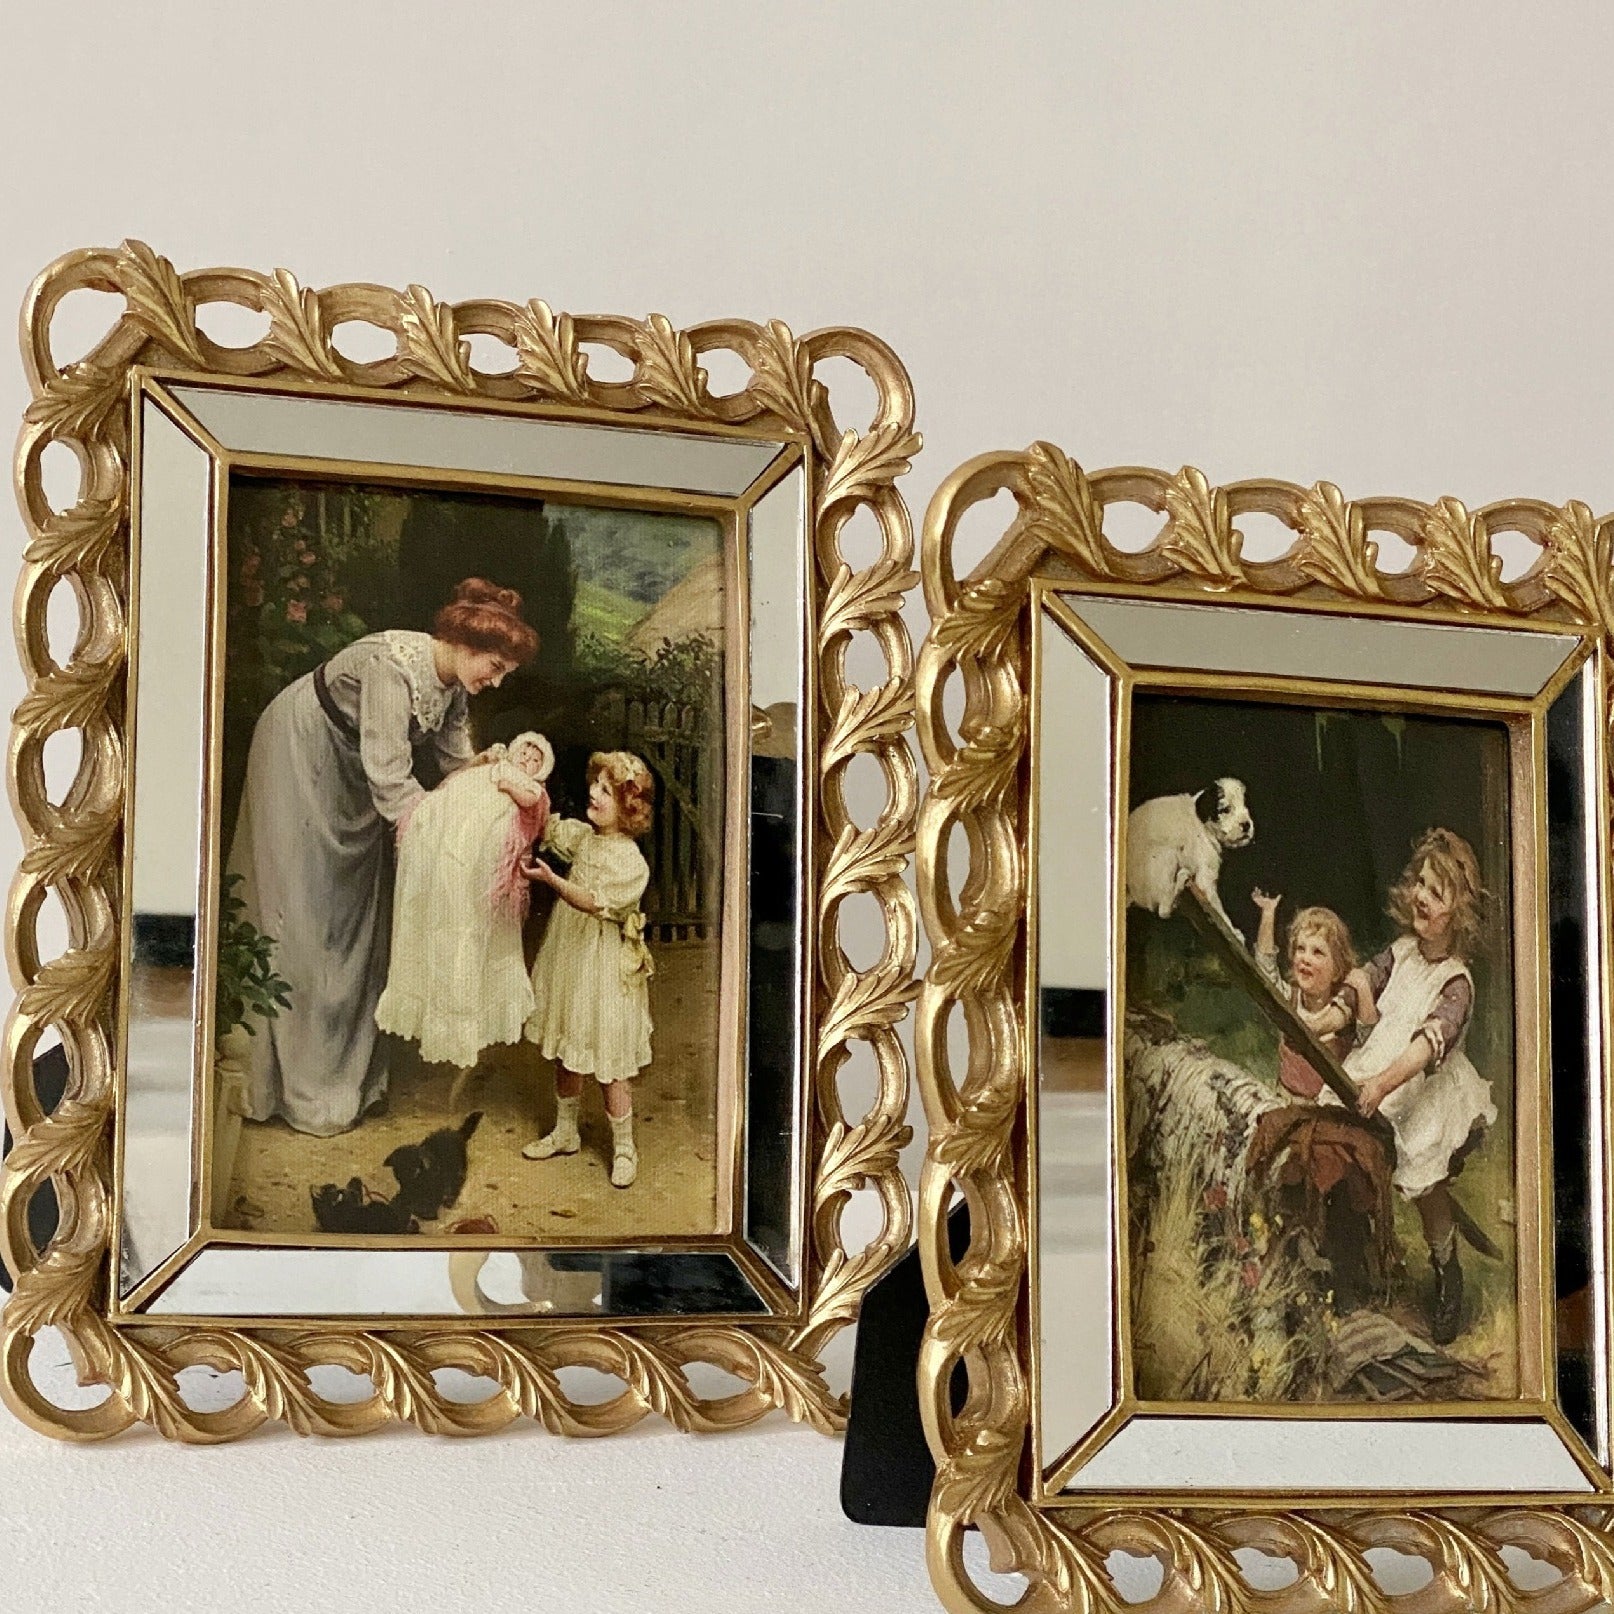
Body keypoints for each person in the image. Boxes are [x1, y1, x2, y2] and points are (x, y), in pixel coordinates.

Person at [226, 579, 538, 1135]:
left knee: (352, 916)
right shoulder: (391, 667)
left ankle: (345, 1081)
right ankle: (283, 1085)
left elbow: (454, 767)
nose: (495, 681)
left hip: (356, 769)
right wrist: (443, 850)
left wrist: (496, 782)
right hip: (300, 749)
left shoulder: (453, 689)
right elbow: (393, 784)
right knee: (300, 909)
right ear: (463, 642)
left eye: (504, 675)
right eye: (494, 667)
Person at [1343, 828, 1497, 1344]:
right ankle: (1359, 1257)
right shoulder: (1401, 951)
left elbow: (1426, 1048)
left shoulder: (1456, 983)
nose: (1422, 898)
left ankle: (1446, 1270)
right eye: (1420, 884)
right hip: (1380, 1066)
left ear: (1460, 913)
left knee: (1424, 1184)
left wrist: (1381, 1085)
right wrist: (1332, 1012)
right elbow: (1363, 984)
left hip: (1423, 1088)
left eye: (1437, 892)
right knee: (1353, 1152)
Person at [375, 731, 554, 1073]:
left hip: (487, 831)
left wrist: (509, 786)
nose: (527, 760)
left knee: (466, 920)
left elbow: (531, 802)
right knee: (449, 824)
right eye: (525, 752)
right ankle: (436, 835)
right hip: (463, 815)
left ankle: (456, 1021)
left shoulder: (531, 787)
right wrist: (482, 766)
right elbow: (459, 780)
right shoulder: (496, 764)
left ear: (540, 771)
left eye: (535, 761)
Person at [519, 751, 656, 1188]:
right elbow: (548, 826)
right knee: (569, 1042)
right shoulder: (586, 838)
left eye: (606, 791)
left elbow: (593, 903)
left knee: (609, 1058)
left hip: (604, 968)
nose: (593, 794)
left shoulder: (631, 863)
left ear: (629, 809)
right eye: (595, 785)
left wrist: (553, 881)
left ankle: (624, 1146)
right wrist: (525, 784)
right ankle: (566, 1131)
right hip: (572, 958)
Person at [1250, 891, 1362, 1098]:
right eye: (1300, 949)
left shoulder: (1342, 1012)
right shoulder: (1290, 999)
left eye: (1317, 952)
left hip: (1327, 1107)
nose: (1305, 959)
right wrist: (1268, 914)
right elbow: (1265, 971)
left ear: (1337, 970)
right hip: (1286, 1100)